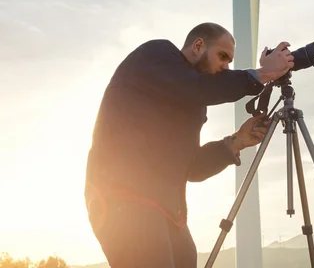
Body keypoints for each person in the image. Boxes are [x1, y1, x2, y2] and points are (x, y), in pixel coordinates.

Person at [84, 22, 294, 268]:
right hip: (123, 198)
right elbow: (194, 87)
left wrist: (236, 141)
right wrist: (261, 74)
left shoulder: (194, 100)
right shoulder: (156, 54)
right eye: (223, 56)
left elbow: (191, 169)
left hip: (168, 209)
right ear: (198, 46)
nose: (226, 67)